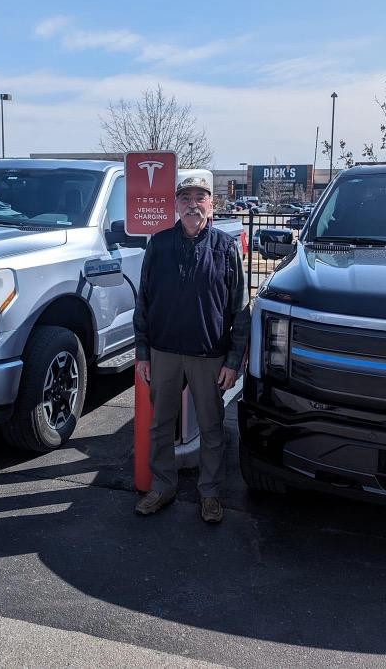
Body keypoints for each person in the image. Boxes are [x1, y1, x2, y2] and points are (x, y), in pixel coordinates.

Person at [133, 176, 250, 523]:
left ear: (212, 204)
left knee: (212, 429)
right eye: (185, 198)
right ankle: (163, 487)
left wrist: (233, 360)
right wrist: (143, 352)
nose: (192, 204)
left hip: (209, 355)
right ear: (176, 205)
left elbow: (240, 310)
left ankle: (210, 494)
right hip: (164, 353)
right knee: (160, 426)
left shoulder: (225, 249)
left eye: (200, 197)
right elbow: (144, 302)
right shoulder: (159, 245)